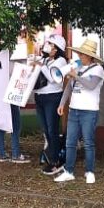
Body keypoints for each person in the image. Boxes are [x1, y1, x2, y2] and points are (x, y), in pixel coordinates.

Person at [55, 39, 104, 183]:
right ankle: (68, 171)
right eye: (79, 54)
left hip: (89, 111)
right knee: (70, 142)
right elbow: (69, 87)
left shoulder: (98, 69)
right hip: (74, 110)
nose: (80, 56)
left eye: (83, 54)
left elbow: (91, 85)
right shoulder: (77, 68)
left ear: (90, 56)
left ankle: (90, 171)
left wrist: (76, 76)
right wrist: (62, 103)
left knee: (88, 142)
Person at [33, 34, 67, 175]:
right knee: (46, 130)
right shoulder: (45, 59)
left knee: (52, 130)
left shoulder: (61, 61)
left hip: (52, 98)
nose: (48, 46)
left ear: (57, 48)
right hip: (40, 97)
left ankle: (55, 161)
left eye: (51, 44)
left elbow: (54, 79)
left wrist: (42, 66)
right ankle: (53, 156)